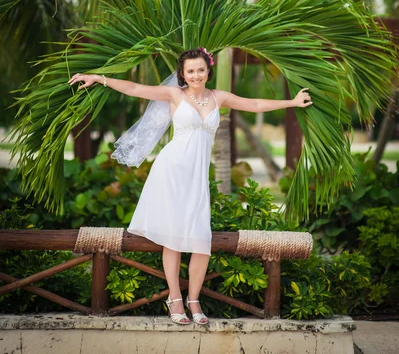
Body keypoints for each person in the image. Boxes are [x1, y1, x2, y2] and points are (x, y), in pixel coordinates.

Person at [68, 47, 312, 324]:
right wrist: (99, 78)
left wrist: (291, 103)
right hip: (171, 170)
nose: (196, 75)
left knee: (200, 240)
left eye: (200, 69)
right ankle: (175, 299)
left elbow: (255, 104)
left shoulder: (219, 97)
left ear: (208, 70)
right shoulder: (175, 95)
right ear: (182, 74)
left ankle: (194, 300)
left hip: (197, 176)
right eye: (190, 71)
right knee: (173, 238)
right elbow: (135, 88)